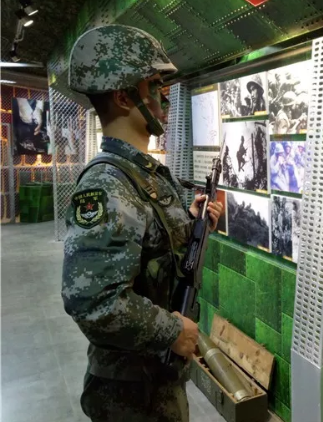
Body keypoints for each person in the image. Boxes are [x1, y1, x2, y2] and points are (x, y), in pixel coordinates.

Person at [62, 25, 223, 421]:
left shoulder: (140, 173)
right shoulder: (106, 184)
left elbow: (149, 247)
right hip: (131, 398)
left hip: (155, 383)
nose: (164, 96)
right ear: (123, 97)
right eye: (154, 85)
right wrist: (171, 331)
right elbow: (94, 302)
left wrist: (191, 222)